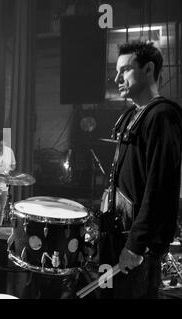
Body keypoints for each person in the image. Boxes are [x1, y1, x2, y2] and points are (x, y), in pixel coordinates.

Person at [99, 41, 182, 299]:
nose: (116, 78)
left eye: (124, 70)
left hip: (137, 249)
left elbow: (160, 189)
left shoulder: (162, 116)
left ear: (148, 69)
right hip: (116, 237)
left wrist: (136, 245)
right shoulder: (132, 115)